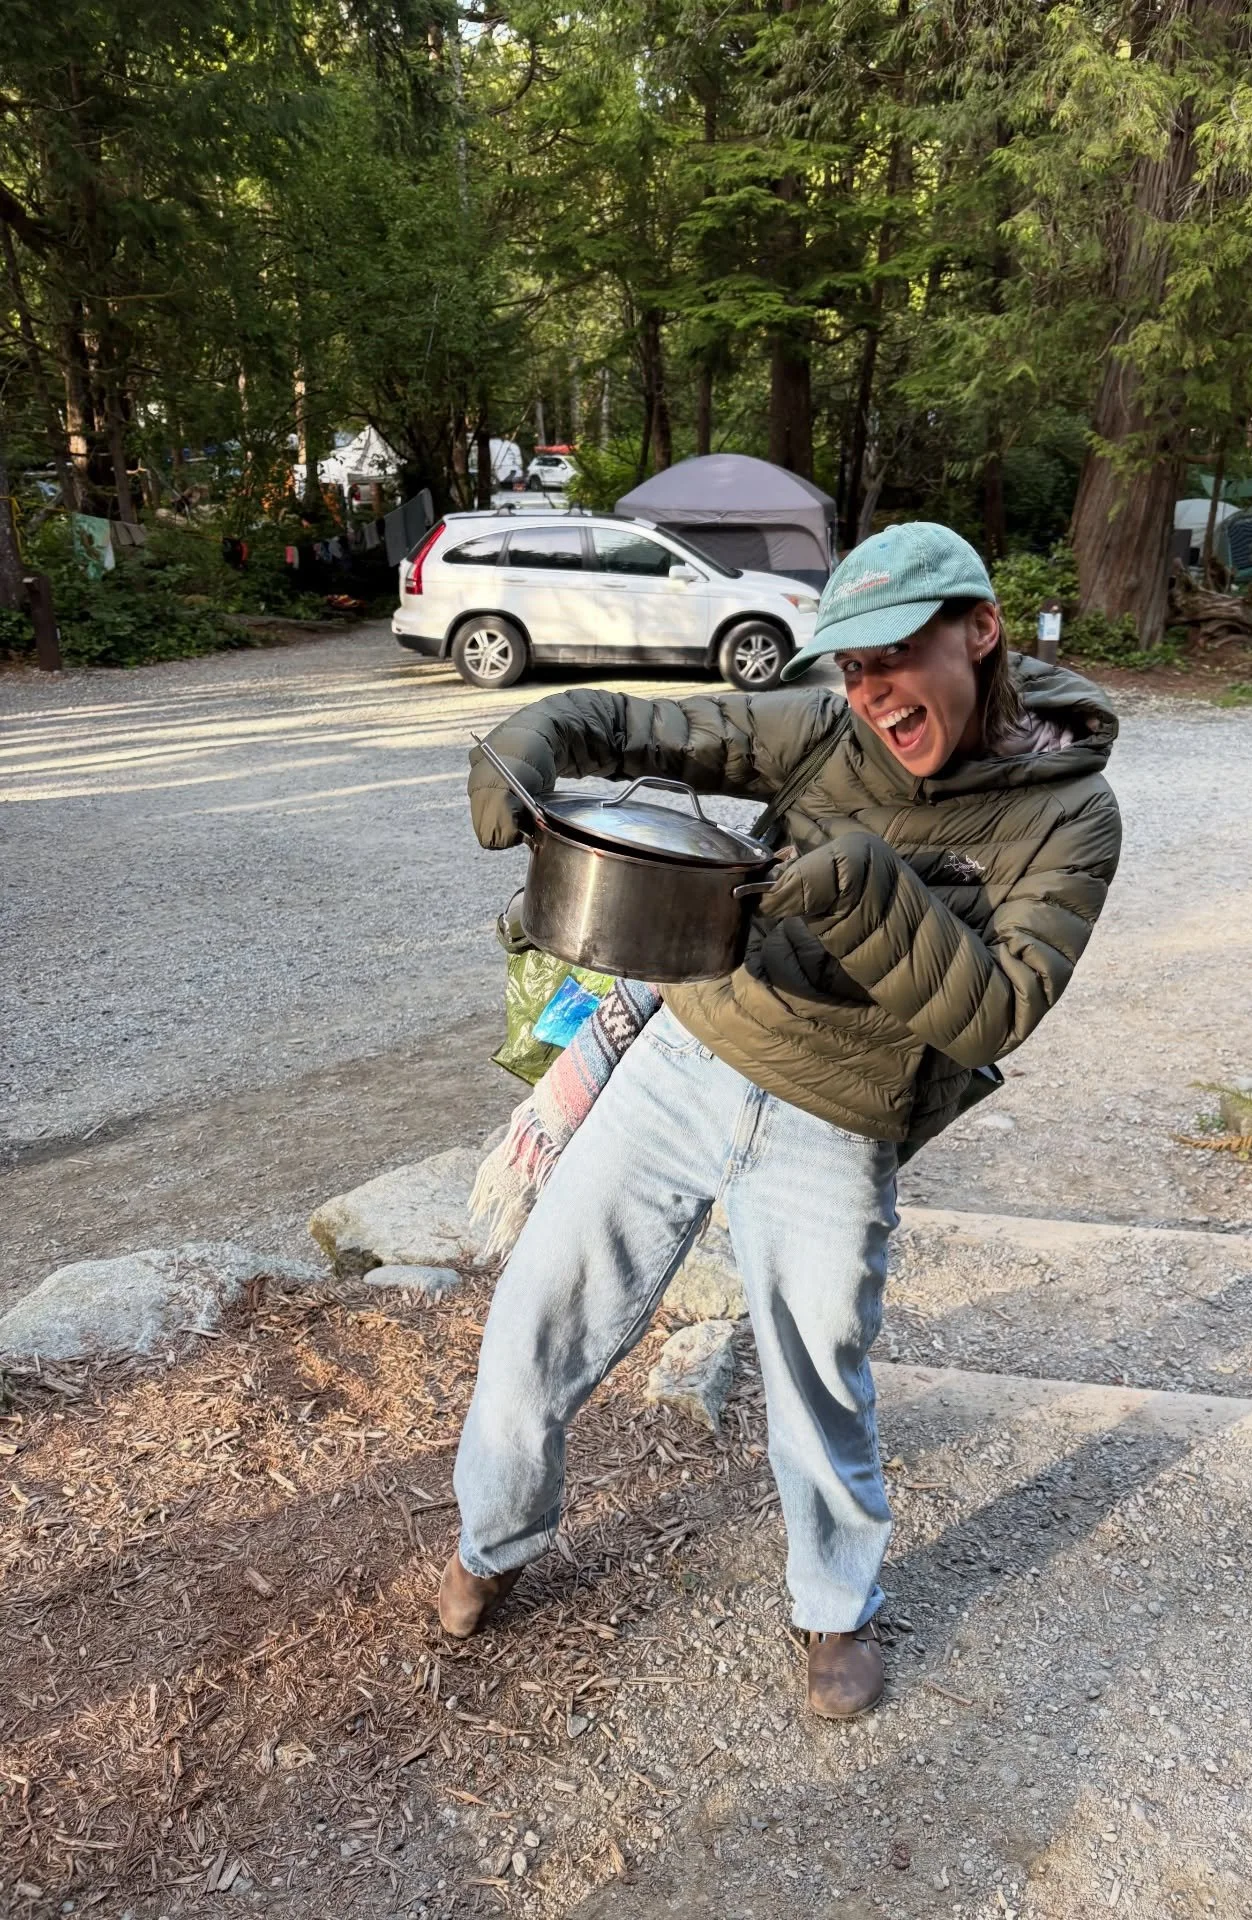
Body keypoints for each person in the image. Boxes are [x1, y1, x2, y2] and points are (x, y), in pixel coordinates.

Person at [440, 521, 1123, 1719]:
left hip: (840, 1120)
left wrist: (868, 888)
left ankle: (836, 1609)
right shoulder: (824, 726)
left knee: (819, 1371)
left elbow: (998, 1012)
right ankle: (488, 1543)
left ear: (981, 629)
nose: (870, 693)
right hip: (689, 1061)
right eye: (851, 665)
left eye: (893, 658)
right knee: (541, 1303)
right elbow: (640, 727)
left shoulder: (1071, 815)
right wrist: (534, 732)